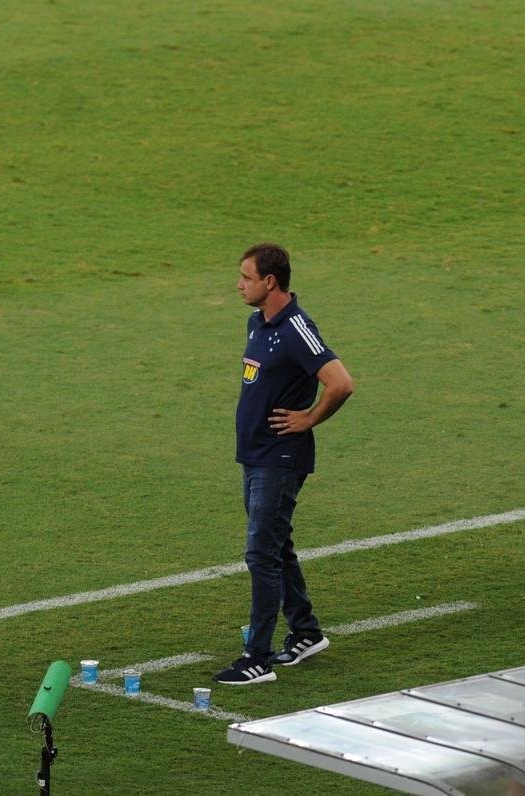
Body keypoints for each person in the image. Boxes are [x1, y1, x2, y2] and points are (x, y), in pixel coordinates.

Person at [213, 243, 355, 686]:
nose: (239, 285)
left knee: (261, 552)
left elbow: (341, 382)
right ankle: (306, 631)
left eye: (246, 277)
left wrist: (309, 417)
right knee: (275, 544)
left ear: (270, 281)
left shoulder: (296, 328)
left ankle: (257, 655)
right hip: (255, 456)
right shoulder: (258, 323)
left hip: (280, 458)